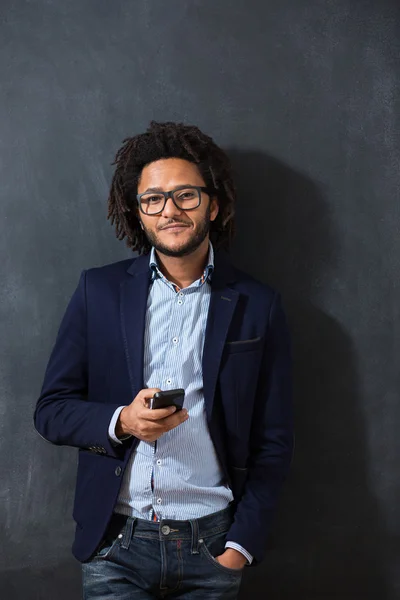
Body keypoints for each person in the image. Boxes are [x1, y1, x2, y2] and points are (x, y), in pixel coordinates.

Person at [34, 121, 293, 599]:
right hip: (115, 546)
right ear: (139, 213)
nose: (169, 210)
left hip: (213, 545)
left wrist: (241, 545)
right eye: (153, 199)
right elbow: (50, 411)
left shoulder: (258, 304)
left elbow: (274, 441)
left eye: (185, 196)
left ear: (212, 205)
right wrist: (122, 422)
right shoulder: (98, 291)